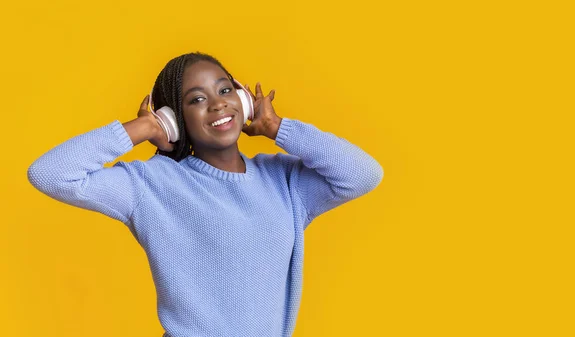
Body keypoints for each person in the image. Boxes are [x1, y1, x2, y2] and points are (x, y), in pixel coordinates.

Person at [27, 51, 384, 337]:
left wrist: (279, 128)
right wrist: (143, 128)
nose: (217, 104)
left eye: (225, 90)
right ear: (175, 118)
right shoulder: (151, 184)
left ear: (243, 99)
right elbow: (51, 174)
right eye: (197, 99)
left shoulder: (284, 181)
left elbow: (362, 174)